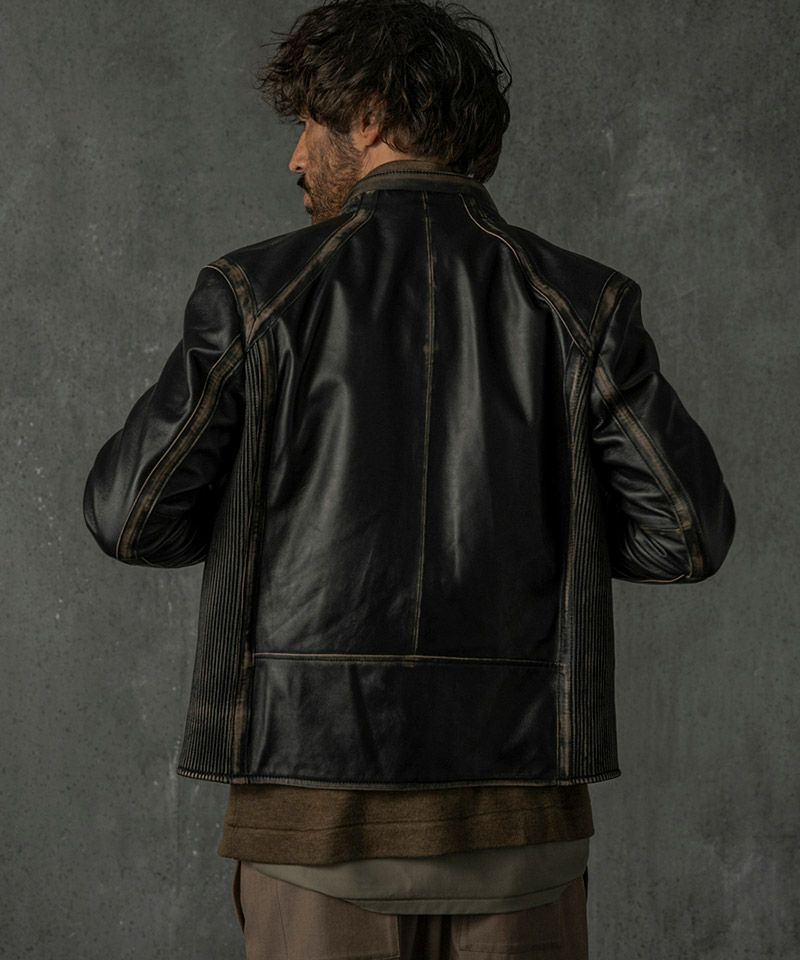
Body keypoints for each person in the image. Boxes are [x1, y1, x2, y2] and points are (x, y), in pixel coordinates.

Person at [82, 0, 736, 956]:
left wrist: (266, 511)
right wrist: (539, 526)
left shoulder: (256, 296)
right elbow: (686, 534)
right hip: (521, 833)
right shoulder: (582, 305)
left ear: (372, 113)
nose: (296, 158)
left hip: (315, 832)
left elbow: (133, 515)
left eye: (310, 123)